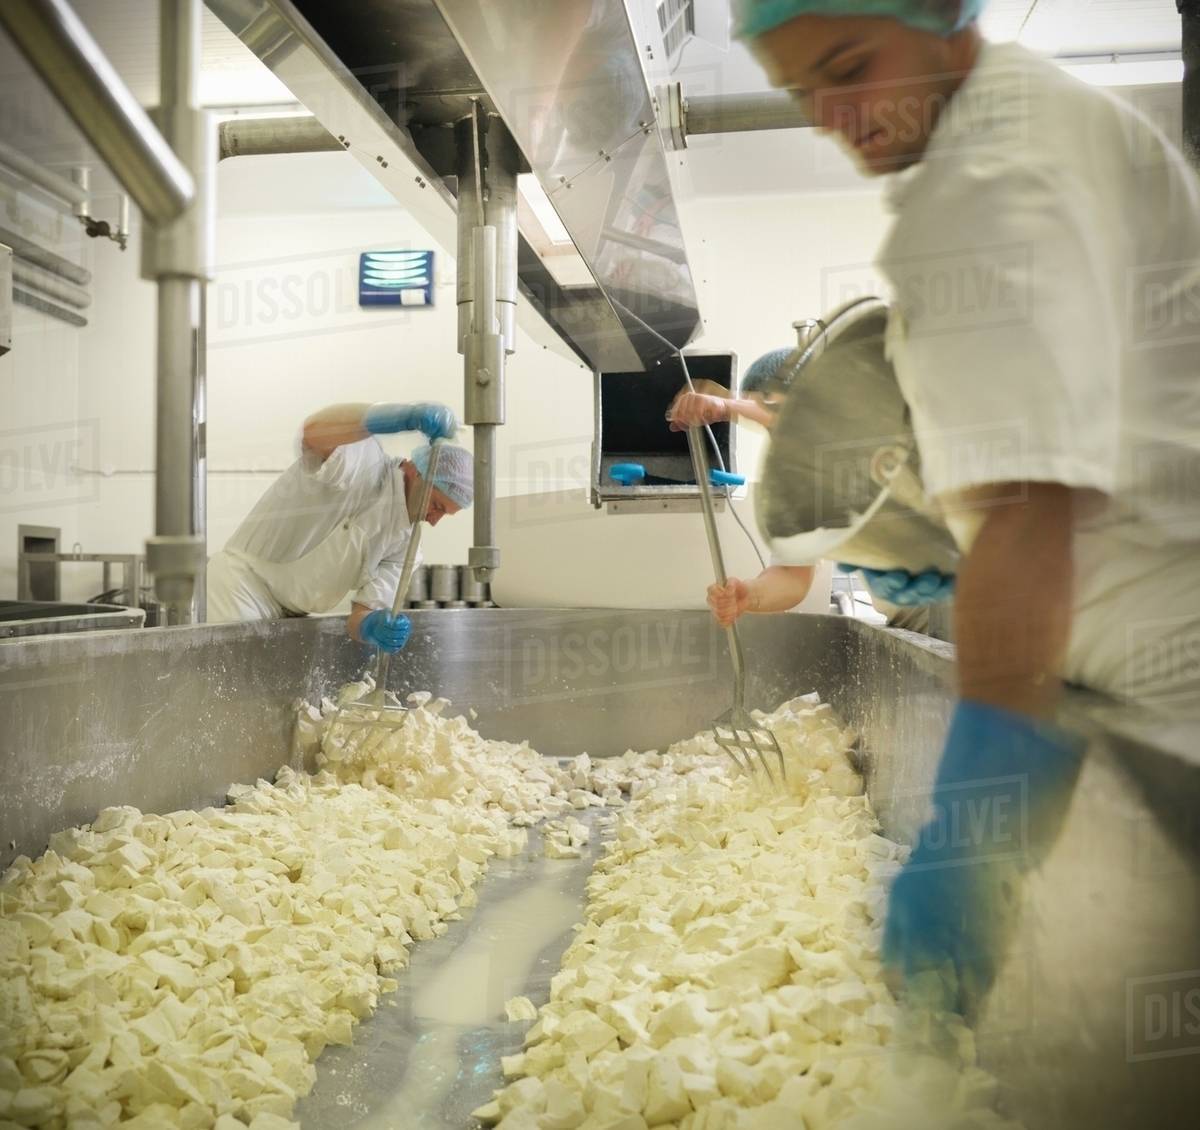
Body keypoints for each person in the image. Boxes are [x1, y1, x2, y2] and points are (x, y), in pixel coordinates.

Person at [733, 0, 1200, 1013]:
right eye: (800, 91)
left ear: (943, 11)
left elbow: (1033, 511)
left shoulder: (986, 185)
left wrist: (971, 829)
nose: (829, 115)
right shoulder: (1032, 114)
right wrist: (957, 546)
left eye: (850, 67)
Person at [207, 402, 473, 654]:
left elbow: (359, 617)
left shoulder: (406, 548)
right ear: (418, 472)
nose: (434, 520)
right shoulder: (364, 463)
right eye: (437, 505)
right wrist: (401, 416)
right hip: (240, 590)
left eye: (445, 515)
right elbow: (314, 432)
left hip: (293, 615)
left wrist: (372, 626)